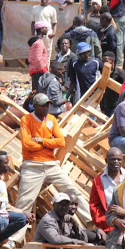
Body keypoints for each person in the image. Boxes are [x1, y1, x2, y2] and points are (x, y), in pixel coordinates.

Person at [15, 93, 93, 227]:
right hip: (32, 165)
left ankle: (91, 220)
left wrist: (41, 141)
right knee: (24, 201)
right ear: (35, 107)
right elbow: (27, 144)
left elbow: (61, 142)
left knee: (73, 191)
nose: (46, 108)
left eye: (47, 105)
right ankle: (13, 238)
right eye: (43, 105)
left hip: (52, 165)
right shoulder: (26, 120)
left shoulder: (51, 119)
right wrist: (50, 142)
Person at [0, 151, 35, 249]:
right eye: (6, 163)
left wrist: (22, 211)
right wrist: (23, 213)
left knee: (23, 217)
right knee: (21, 219)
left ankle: (1, 237)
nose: (8, 166)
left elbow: (4, 205)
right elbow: (1, 206)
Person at [89, 147, 125, 235]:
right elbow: (94, 207)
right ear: (106, 160)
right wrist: (110, 224)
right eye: (113, 159)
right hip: (109, 227)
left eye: (119, 159)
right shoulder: (98, 181)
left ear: (122, 161)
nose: (116, 161)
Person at [104, 0, 125, 68]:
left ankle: (119, 64)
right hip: (123, 16)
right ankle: (120, 60)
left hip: (117, 17)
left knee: (118, 41)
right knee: (121, 40)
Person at [31, 0, 57, 65]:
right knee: (37, 51)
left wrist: (53, 33)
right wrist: (32, 33)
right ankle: (37, 68)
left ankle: (46, 69)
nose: (43, 0)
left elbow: (54, 23)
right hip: (37, 34)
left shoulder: (52, 9)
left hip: (48, 34)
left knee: (47, 52)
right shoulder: (35, 8)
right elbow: (33, 22)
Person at [100, 52, 125, 117]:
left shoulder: (120, 73)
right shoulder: (103, 71)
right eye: (103, 62)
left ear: (113, 62)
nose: (104, 64)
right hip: (104, 105)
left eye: (107, 62)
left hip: (115, 105)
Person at [28, 21, 49, 92]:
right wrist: (44, 70)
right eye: (46, 28)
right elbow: (37, 59)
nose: (47, 29)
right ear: (42, 29)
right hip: (39, 72)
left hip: (35, 71)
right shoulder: (39, 43)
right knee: (39, 94)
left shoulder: (34, 42)